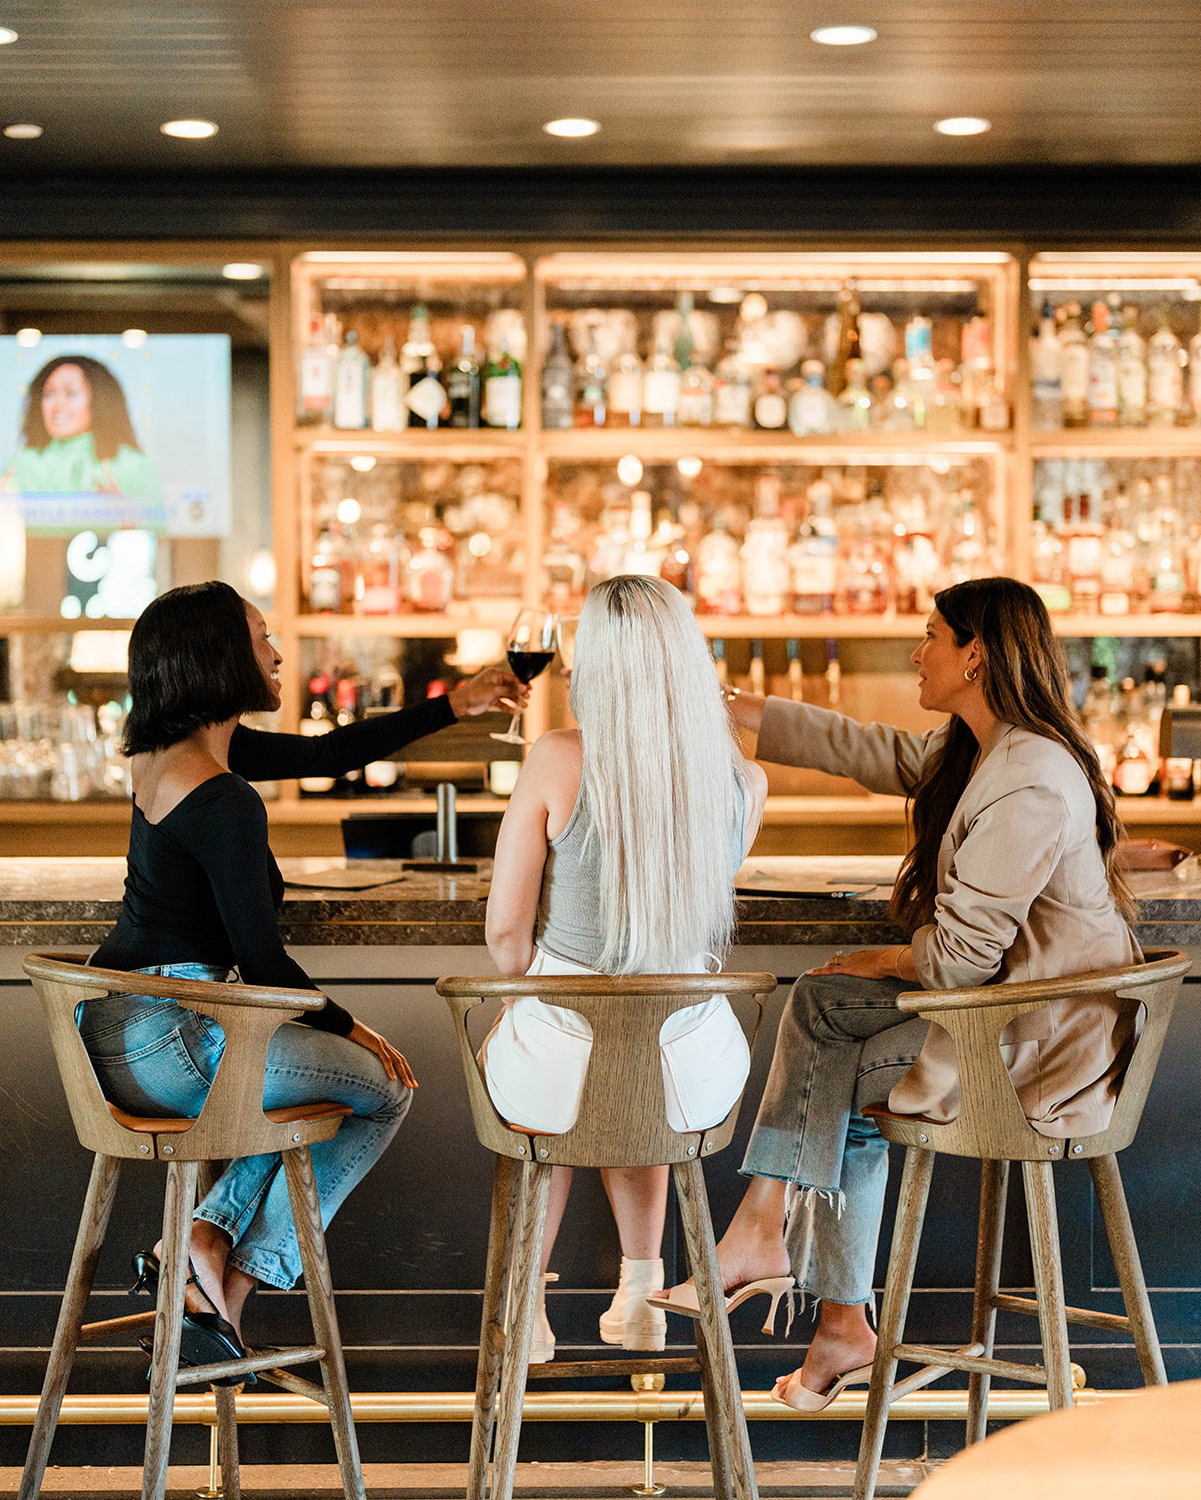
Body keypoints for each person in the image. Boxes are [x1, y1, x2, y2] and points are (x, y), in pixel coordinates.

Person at [654, 577, 1141, 1411]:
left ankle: (793, 1266)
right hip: (1012, 1019)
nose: (917, 651)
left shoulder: (1027, 778)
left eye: (929, 636)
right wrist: (724, 703)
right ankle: (803, 1280)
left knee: (832, 1047)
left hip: (1040, 1051)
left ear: (974, 655)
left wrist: (885, 956)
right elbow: (870, 750)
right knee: (822, 1007)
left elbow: (957, 959)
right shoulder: (989, 750)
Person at [80, 579, 526, 1375]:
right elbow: (263, 965)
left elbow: (329, 753)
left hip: (115, 1036)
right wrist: (352, 1026)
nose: (279, 652)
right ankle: (225, 1282)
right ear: (222, 657)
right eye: (261, 637)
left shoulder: (169, 754)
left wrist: (453, 703)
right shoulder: (224, 799)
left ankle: (201, 1252)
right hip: (179, 1039)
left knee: (288, 1090)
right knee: (382, 1087)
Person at [482, 575, 768, 1359]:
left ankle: (525, 1299)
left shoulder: (554, 759)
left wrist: (518, 1003)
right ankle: (642, 1282)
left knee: (558, 1058)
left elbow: (505, 934)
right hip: (693, 1074)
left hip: (558, 1062)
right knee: (636, 1061)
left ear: (597, 667)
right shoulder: (746, 782)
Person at [5, 355, 163, 503]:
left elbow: (159, 531)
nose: (58, 404)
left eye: (71, 393)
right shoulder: (18, 468)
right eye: (49, 394)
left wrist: (124, 516)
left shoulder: (137, 466)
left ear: (99, 399)